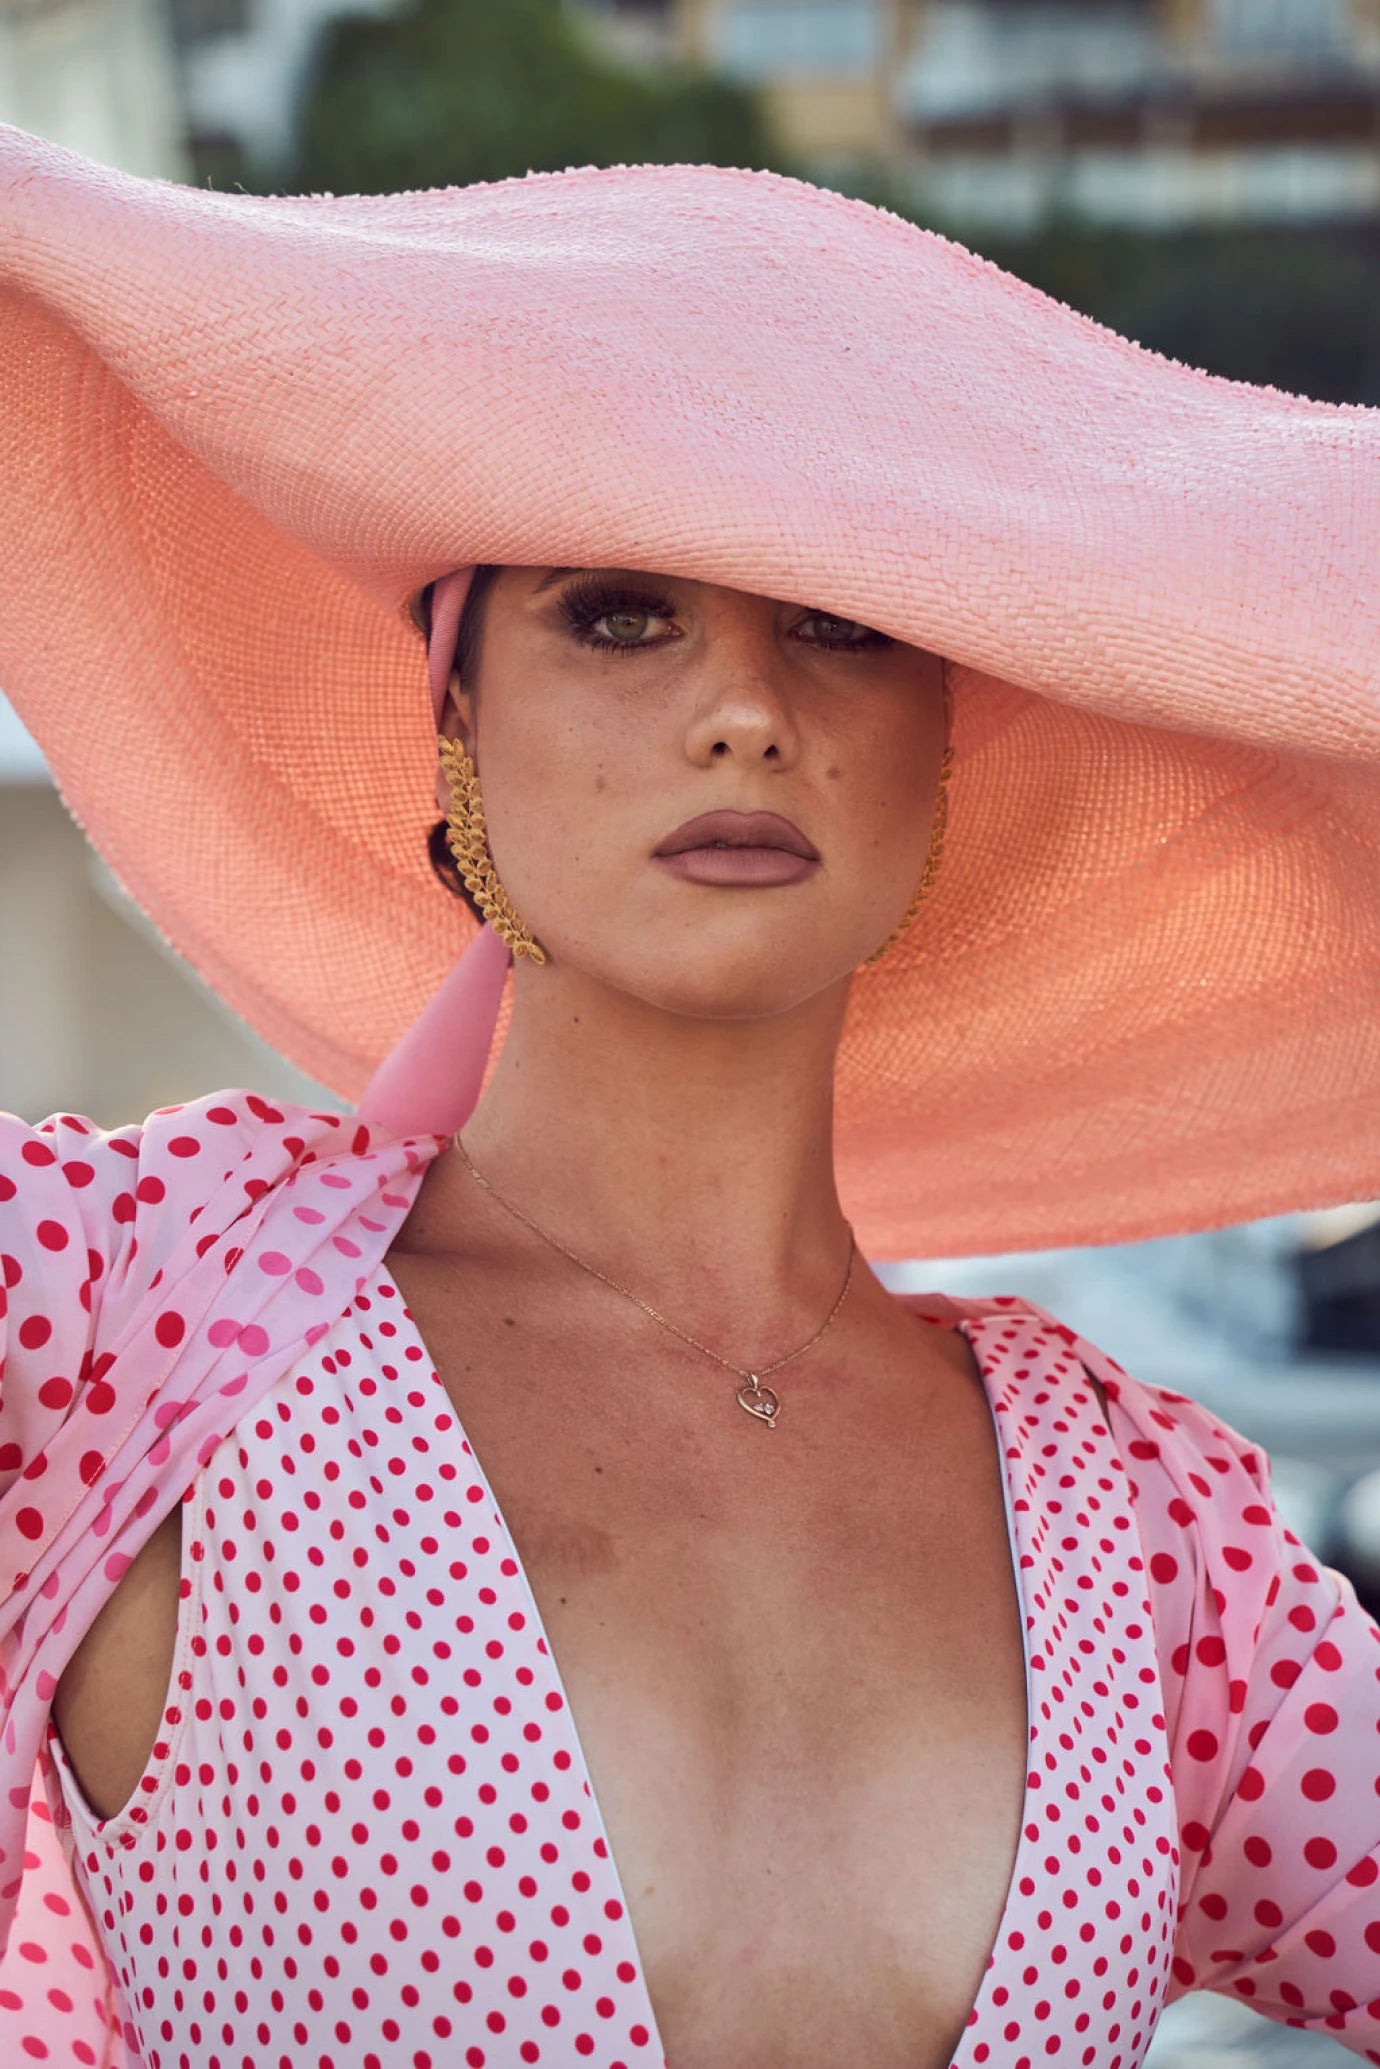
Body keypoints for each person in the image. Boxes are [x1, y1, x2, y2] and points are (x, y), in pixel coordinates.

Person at [1, 120, 1378, 2069]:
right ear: (456, 701)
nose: (745, 713)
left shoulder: (1153, 1543)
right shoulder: (118, 1305)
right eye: (620, 613)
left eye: (845, 621)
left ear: (947, 730)